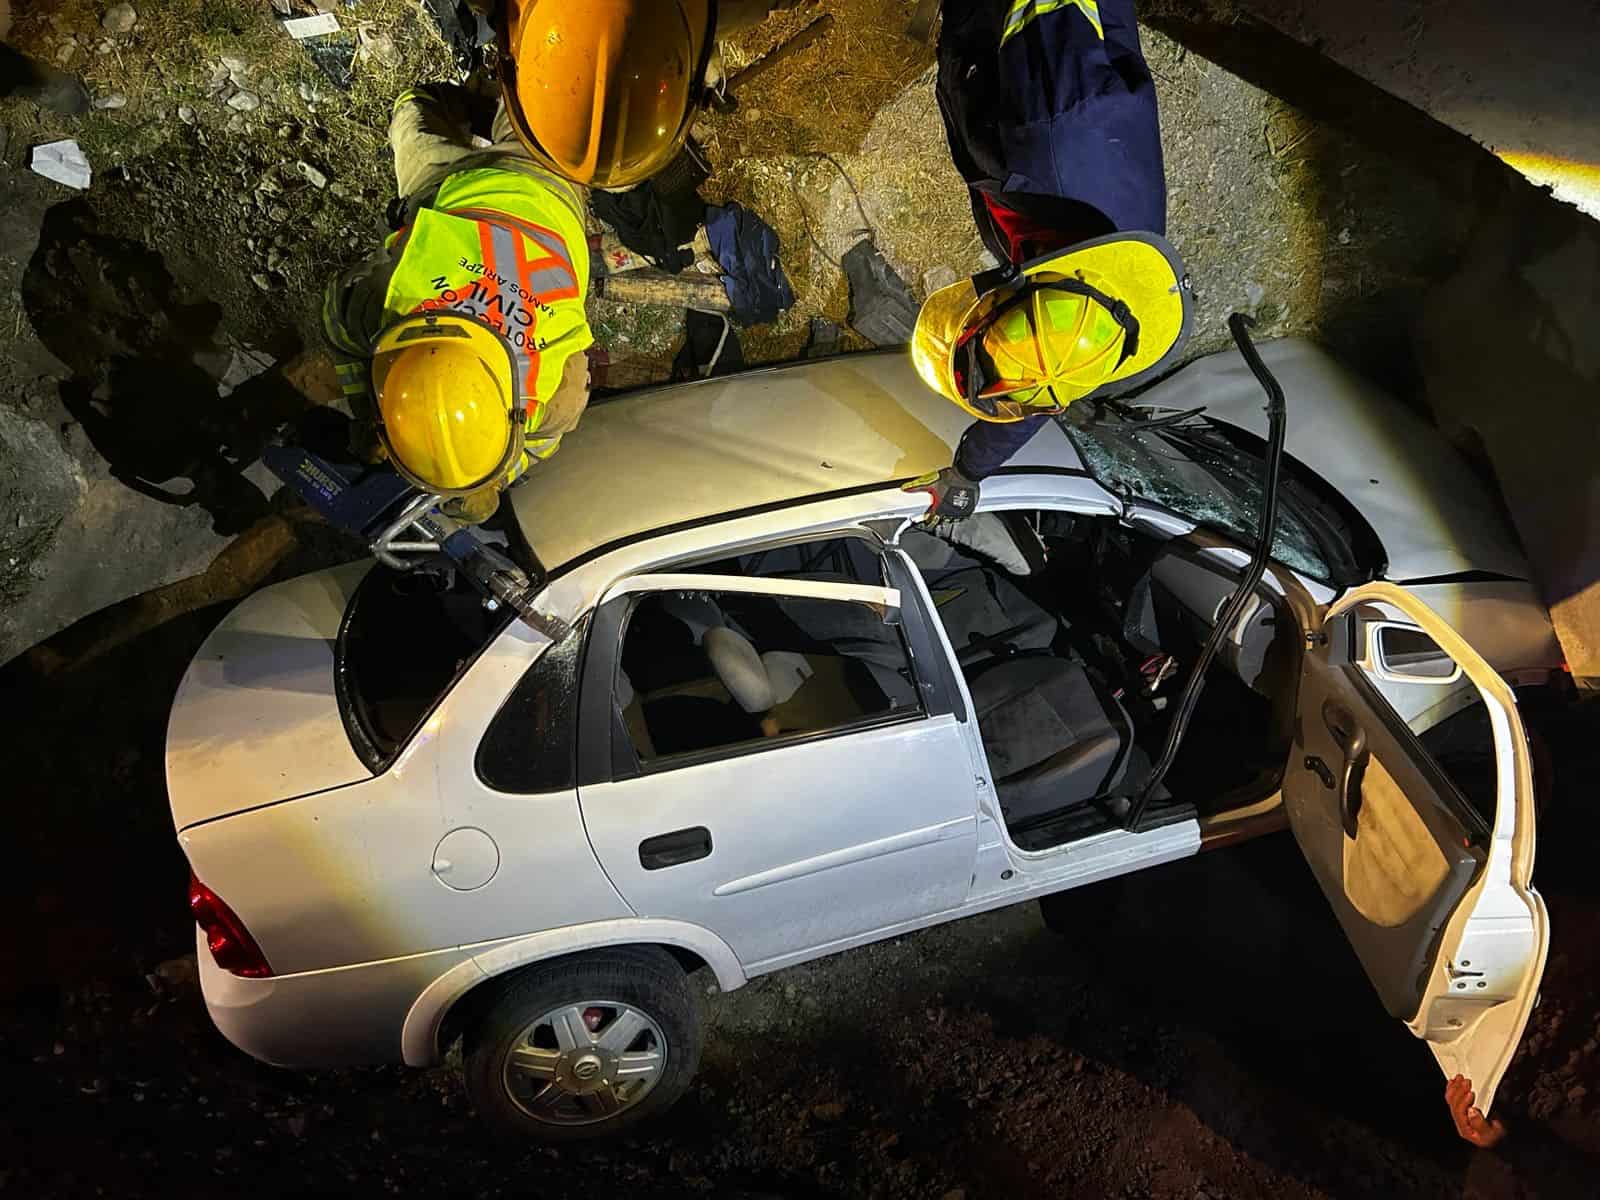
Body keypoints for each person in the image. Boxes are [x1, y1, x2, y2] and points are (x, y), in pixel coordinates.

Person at [904, 0, 1191, 519]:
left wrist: (970, 469)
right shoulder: (1056, 122)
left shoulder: (1101, 313)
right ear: (1014, 295)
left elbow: (1038, 383)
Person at [321, 81, 594, 523]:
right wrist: (370, 407)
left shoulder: (553, 390)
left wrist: (495, 475)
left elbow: (539, 442)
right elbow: (336, 320)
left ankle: (504, 102)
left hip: (544, 190)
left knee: (455, 105)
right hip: (488, 187)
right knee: (426, 113)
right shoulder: (386, 300)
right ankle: (503, 101)